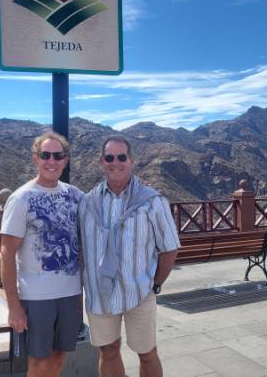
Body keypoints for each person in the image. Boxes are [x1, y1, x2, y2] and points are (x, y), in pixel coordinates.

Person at [79, 134, 180, 377]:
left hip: (139, 292)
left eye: (121, 157)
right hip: (100, 294)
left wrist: (155, 284)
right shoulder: (87, 203)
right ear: (101, 161)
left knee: (147, 352)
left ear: (131, 160)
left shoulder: (152, 201)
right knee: (108, 350)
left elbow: (169, 247)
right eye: (109, 157)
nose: (115, 162)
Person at [0, 131, 83, 377]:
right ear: (35, 158)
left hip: (70, 294)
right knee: (39, 362)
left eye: (58, 155)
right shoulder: (21, 198)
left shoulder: (75, 195)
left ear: (65, 160)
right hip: (36, 297)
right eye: (45, 155)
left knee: (58, 357)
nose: (52, 161)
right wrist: (14, 307)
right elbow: (6, 254)